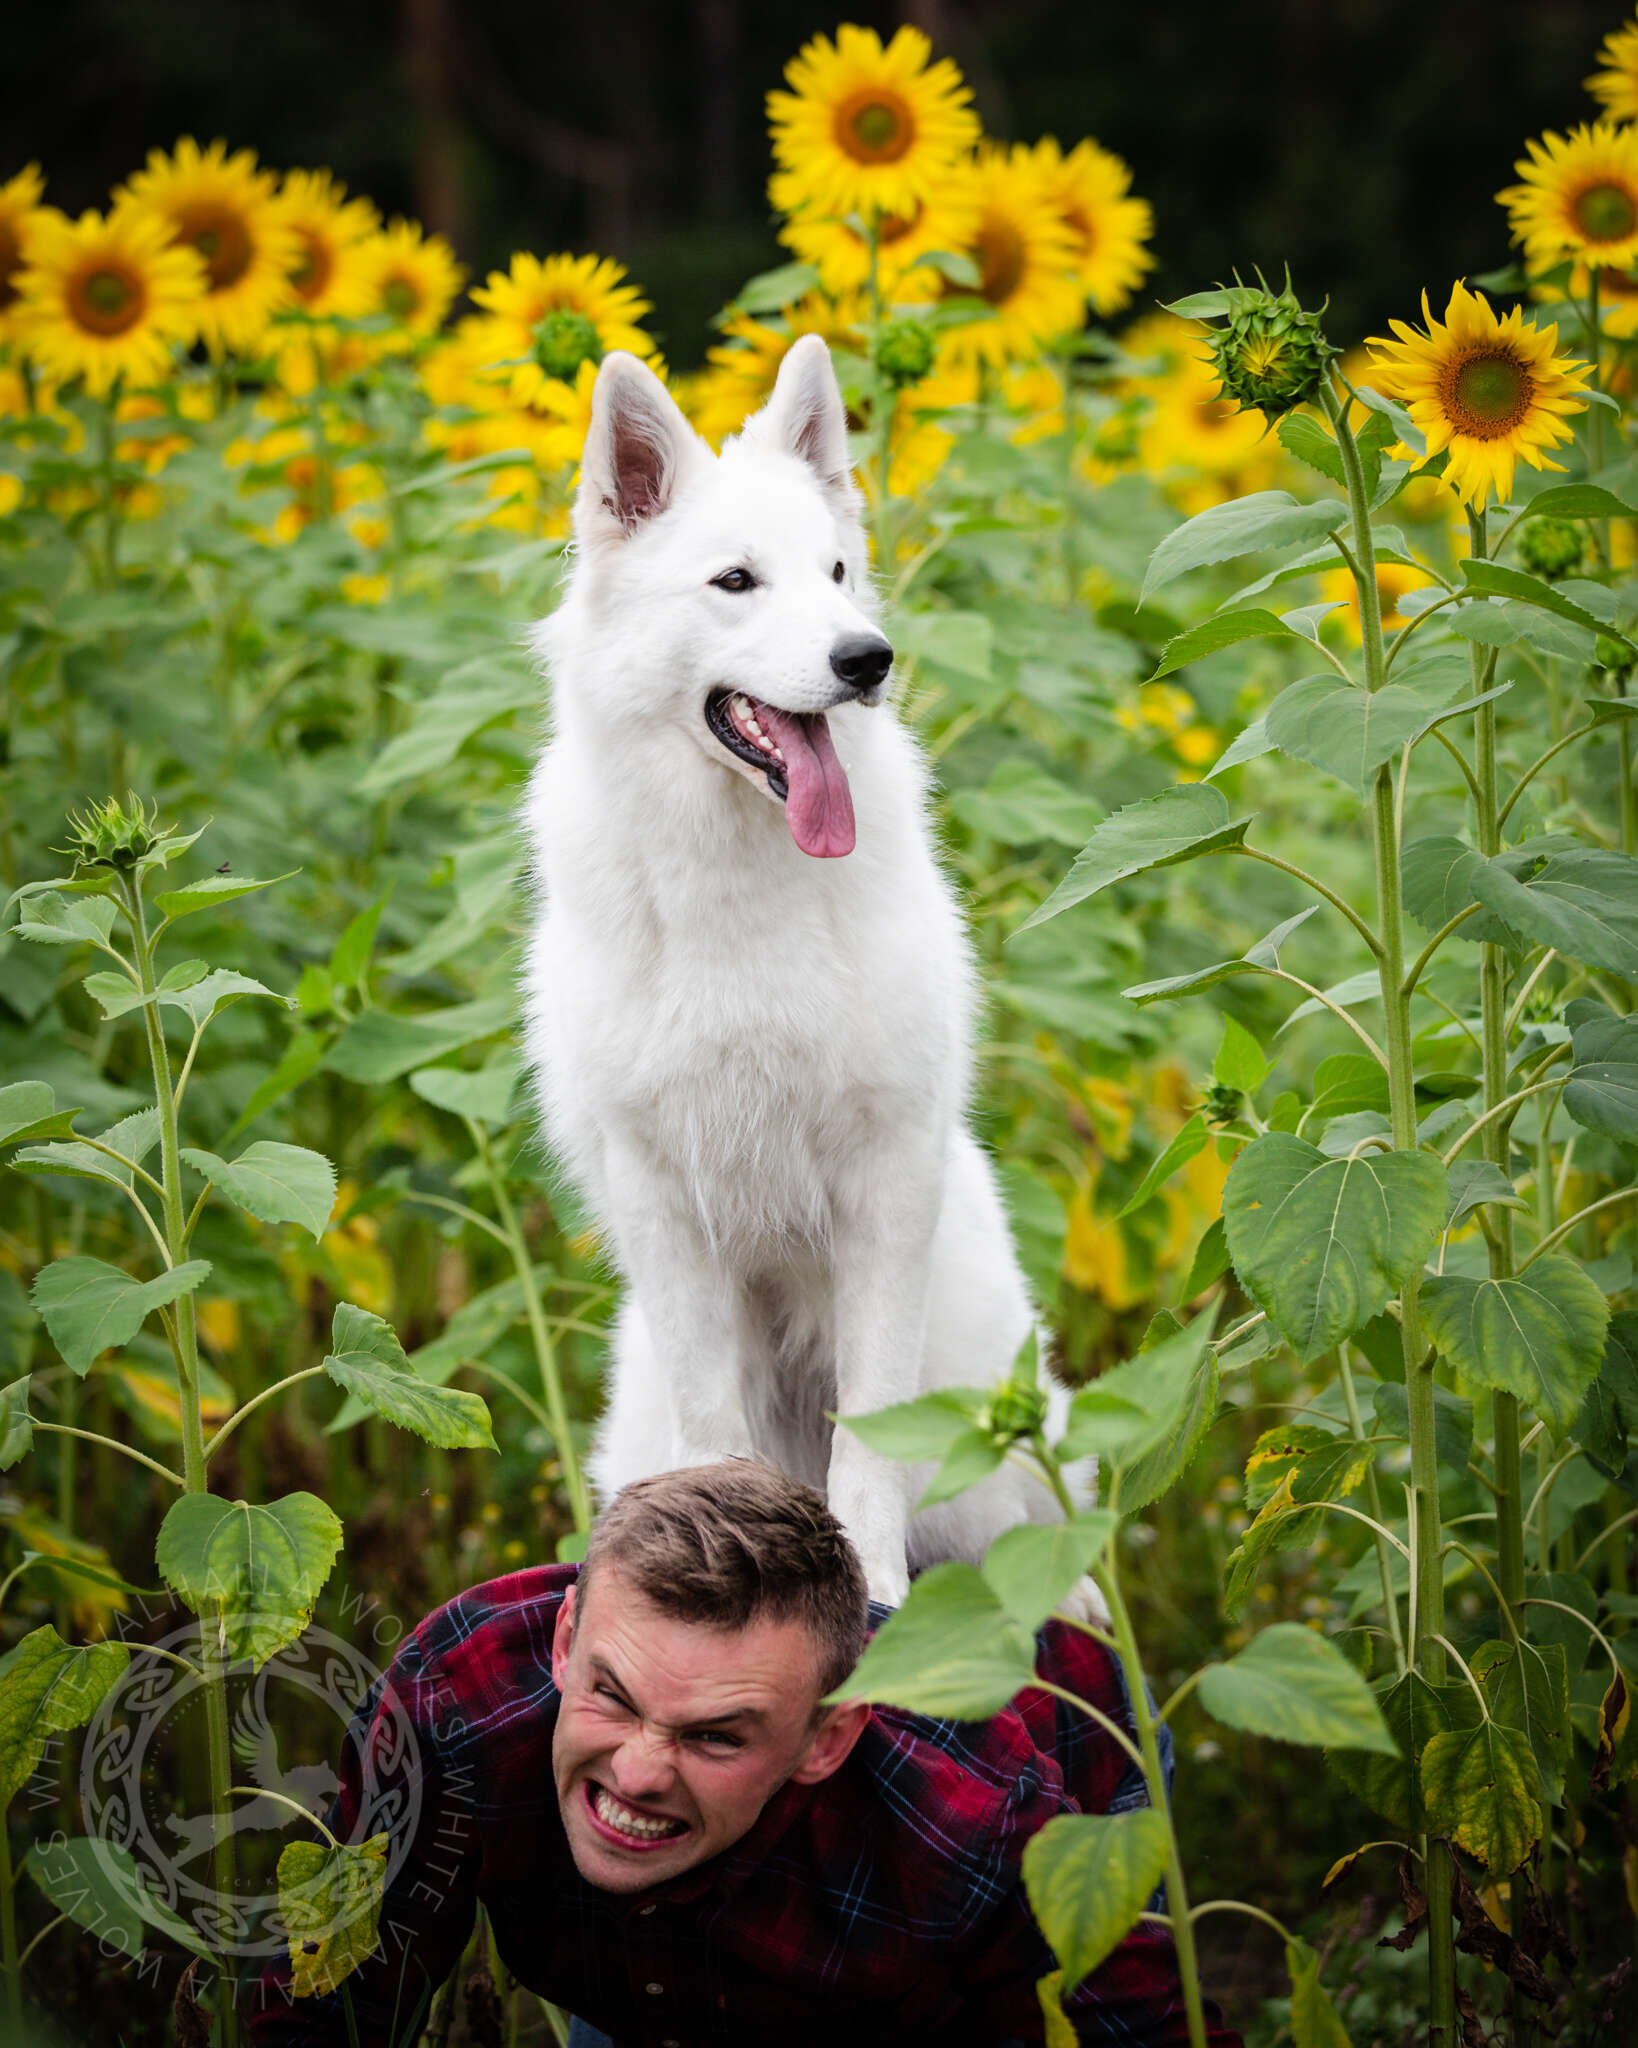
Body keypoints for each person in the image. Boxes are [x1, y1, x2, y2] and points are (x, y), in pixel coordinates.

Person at [246, 1462, 1240, 2047]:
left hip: (1060, 1741)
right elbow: (330, 1994)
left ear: (826, 1735)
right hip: (645, 1958)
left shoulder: (965, 1816)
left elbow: (1136, 2028)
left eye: (714, 1733)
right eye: (613, 1695)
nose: (636, 1770)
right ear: (564, 1638)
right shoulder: (458, 1702)